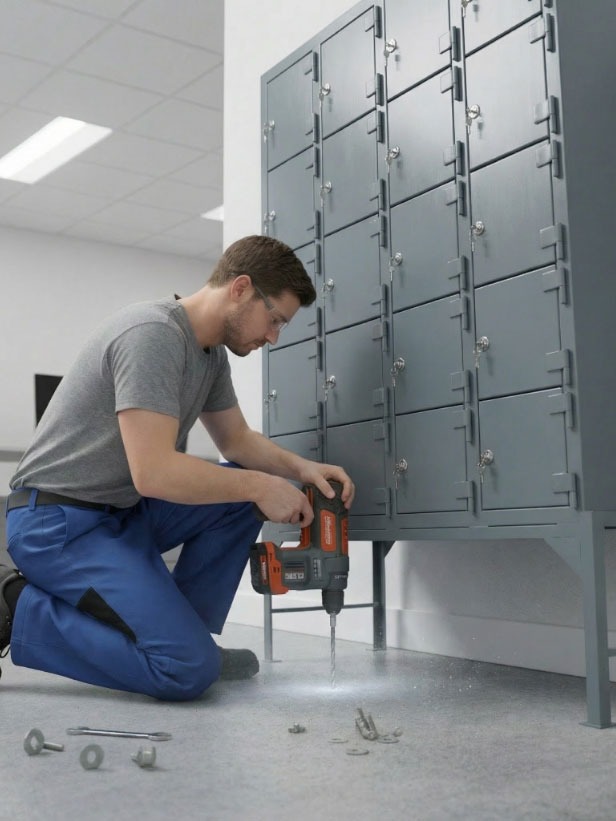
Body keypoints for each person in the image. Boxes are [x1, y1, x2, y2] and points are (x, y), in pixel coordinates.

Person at [0, 235, 354, 701]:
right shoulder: (152, 334)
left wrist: (302, 469)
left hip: (119, 516)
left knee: (240, 499)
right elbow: (154, 473)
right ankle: (14, 608)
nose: (273, 337)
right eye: (275, 320)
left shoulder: (210, 356)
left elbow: (236, 440)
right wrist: (259, 484)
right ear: (241, 288)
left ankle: (186, 633)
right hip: (56, 525)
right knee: (184, 671)